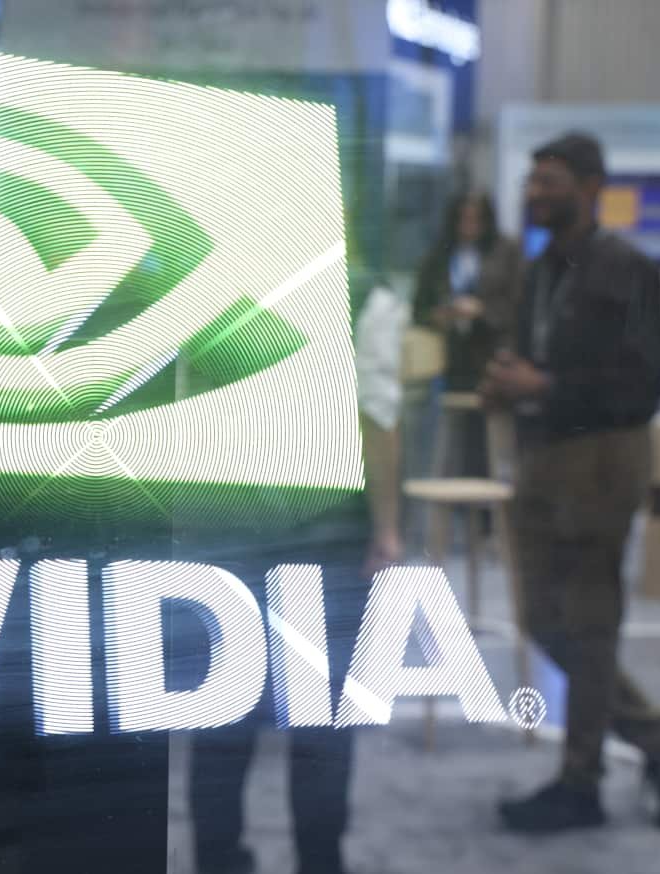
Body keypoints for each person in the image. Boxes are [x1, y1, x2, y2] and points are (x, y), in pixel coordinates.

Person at [481, 132, 660, 833]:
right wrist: (509, 381)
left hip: (601, 464)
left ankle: (581, 781)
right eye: (532, 181)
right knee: (543, 621)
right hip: (544, 458)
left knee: (587, 623)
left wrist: (545, 385)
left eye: (549, 181)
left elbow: (644, 383)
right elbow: (539, 354)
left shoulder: (626, 268)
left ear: (589, 187)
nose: (535, 193)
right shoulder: (540, 269)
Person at [190, 267, 406, 874]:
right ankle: (319, 859)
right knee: (321, 716)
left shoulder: (217, 279)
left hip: (226, 526)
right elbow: (377, 416)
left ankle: (218, 859)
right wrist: (387, 528)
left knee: (222, 715)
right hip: (324, 531)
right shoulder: (364, 295)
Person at [413, 192, 521, 476]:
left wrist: (483, 311)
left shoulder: (506, 251)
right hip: (451, 362)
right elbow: (420, 308)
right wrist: (440, 316)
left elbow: (519, 305)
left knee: (493, 441)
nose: (469, 226)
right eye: (463, 219)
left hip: (493, 358)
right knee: (452, 443)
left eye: (475, 220)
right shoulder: (439, 256)